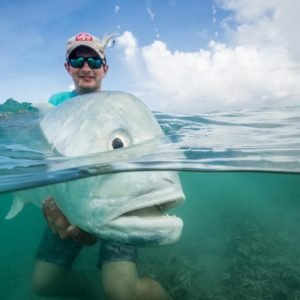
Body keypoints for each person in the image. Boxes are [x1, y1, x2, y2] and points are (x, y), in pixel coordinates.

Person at [32, 32, 171, 300]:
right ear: (67, 67)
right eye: (77, 59)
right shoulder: (56, 106)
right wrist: (55, 204)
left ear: (105, 68)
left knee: (122, 293)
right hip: (66, 203)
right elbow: (45, 163)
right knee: (43, 284)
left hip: (119, 200)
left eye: (94, 61)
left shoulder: (122, 112)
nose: (86, 67)